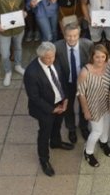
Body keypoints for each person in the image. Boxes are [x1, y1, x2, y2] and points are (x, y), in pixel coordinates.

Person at [22, 42, 74, 176]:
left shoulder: (55, 61)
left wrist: (66, 98)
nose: (51, 60)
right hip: (44, 108)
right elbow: (34, 97)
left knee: (57, 125)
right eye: (48, 58)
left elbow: (62, 80)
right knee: (45, 133)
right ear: (40, 56)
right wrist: (52, 109)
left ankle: (56, 142)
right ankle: (44, 160)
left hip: (60, 102)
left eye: (53, 56)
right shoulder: (31, 72)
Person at [77, 43, 110, 166]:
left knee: (107, 125)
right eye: (97, 57)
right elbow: (81, 93)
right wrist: (85, 111)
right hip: (93, 105)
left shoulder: (109, 65)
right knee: (97, 131)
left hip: (107, 103)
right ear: (92, 57)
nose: (100, 60)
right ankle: (88, 152)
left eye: (103, 57)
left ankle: (103, 143)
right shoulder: (85, 72)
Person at [55, 25, 93, 143]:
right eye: (69, 36)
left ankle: (83, 127)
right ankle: (71, 128)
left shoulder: (88, 45)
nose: (71, 38)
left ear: (79, 35)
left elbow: (92, 62)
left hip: (83, 83)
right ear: (64, 35)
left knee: (84, 105)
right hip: (67, 83)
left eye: (75, 36)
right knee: (68, 107)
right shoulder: (57, 46)